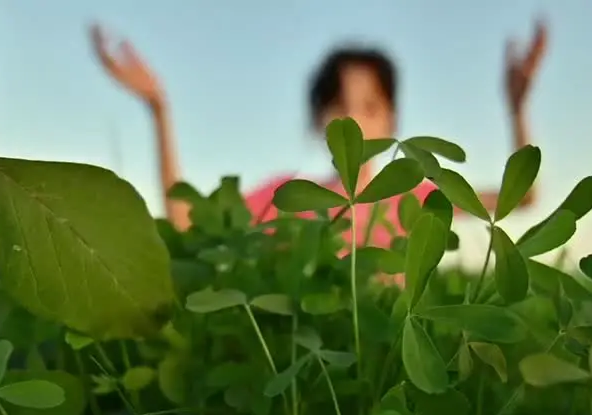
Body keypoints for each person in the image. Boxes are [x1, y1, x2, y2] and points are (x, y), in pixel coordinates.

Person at [89, 22, 548, 252]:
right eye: (338, 106)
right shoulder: (289, 197)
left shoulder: (416, 200)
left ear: (393, 120)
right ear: (318, 122)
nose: (353, 119)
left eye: (370, 107)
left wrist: (517, 109)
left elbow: (522, 196)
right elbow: (189, 222)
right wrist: (160, 110)